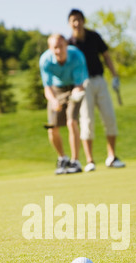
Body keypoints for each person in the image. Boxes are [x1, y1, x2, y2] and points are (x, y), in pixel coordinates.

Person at [68, 9, 126, 172]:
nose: (77, 23)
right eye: (73, 20)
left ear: (84, 21)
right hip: (82, 85)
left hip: (99, 80)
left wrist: (114, 76)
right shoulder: (69, 44)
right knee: (87, 121)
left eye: (79, 19)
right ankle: (90, 160)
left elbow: (106, 56)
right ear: (69, 23)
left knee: (109, 118)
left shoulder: (94, 36)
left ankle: (112, 157)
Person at [39, 34, 89, 174]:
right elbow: (47, 87)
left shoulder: (77, 56)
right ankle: (63, 158)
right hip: (56, 89)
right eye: (55, 47)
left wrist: (75, 95)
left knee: (71, 122)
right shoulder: (45, 60)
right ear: (50, 48)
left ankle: (75, 161)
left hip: (75, 87)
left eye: (61, 46)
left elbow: (79, 84)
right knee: (52, 128)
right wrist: (53, 101)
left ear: (66, 45)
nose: (59, 50)